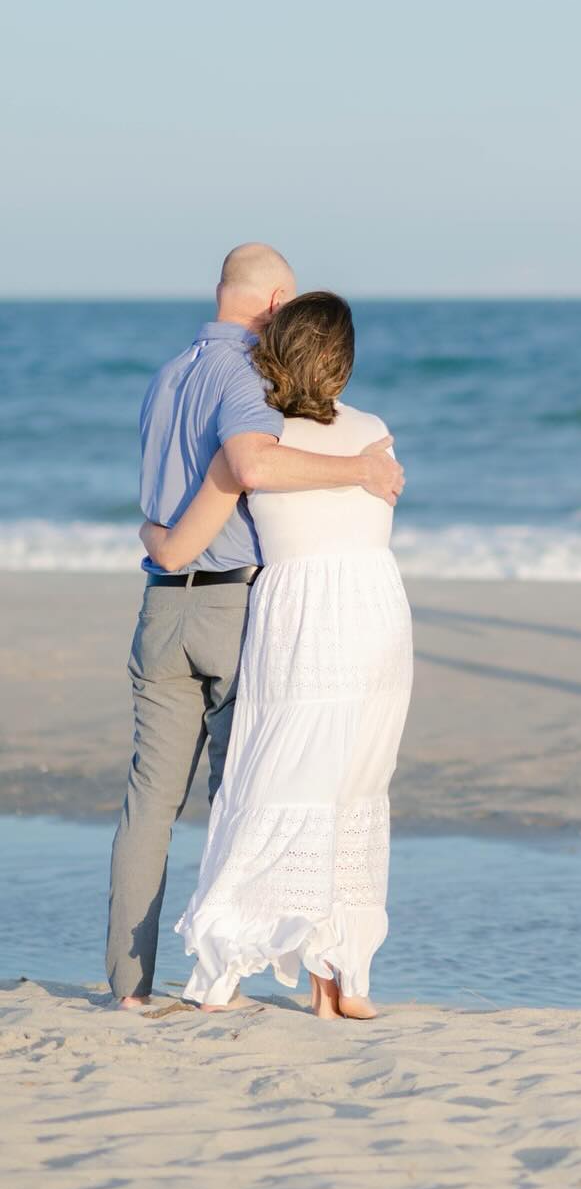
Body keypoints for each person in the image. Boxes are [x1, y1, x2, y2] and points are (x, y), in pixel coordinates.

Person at [108, 246, 405, 1010]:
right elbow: (254, 466)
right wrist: (362, 470)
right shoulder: (249, 377)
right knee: (243, 793)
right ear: (276, 302)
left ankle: (131, 987)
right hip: (232, 605)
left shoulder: (166, 375)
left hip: (160, 604)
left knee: (149, 802)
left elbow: (170, 502)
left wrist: (155, 539)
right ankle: (230, 974)